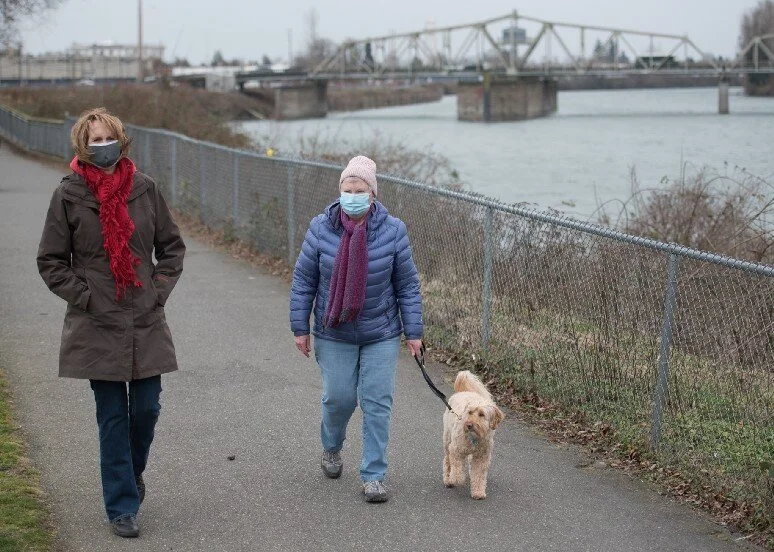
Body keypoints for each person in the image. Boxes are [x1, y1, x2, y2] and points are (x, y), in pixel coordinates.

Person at [37, 107, 185, 538]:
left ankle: (131, 474)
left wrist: (157, 290)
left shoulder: (145, 189)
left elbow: (171, 249)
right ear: (82, 147)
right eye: (93, 141)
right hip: (96, 322)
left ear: (121, 141)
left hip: (145, 316)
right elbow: (50, 261)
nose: (102, 147)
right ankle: (121, 505)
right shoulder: (69, 194)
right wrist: (85, 296)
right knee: (113, 417)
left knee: (146, 408)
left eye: (108, 139)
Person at [289, 155, 423, 503]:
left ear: (372, 194)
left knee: (377, 402)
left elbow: (407, 285)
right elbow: (304, 280)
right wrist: (299, 327)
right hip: (334, 331)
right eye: (347, 190)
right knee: (339, 398)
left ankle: (374, 475)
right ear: (340, 192)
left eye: (359, 190)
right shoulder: (321, 227)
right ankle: (331, 448)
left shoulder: (394, 230)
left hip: (380, 331)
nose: (352, 196)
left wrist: (413, 331)